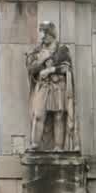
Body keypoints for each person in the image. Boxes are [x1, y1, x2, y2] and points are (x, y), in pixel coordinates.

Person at [25, 21, 76, 151]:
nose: (42, 36)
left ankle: (58, 147)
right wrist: (42, 60)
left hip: (58, 85)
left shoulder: (62, 49)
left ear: (52, 34)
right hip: (43, 86)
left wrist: (50, 70)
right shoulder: (37, 51)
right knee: (38, 115)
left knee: (59, 115)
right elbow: (31, 68)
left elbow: (66, 67)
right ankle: (35, 144)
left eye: (45, 33)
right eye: (41, 33)